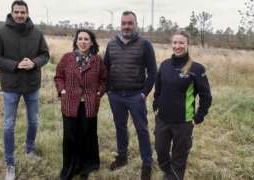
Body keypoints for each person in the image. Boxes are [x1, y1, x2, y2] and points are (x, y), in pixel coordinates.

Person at [0, 0, 50, 180]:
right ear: (11, 13)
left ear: (27, 13)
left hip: (32, 86)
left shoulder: (37, 33)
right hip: (11, 86)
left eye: (23, 12)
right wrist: (15, 65)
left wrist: (35, 63)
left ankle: (29, 150)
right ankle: (10, 164)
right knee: (8, 125)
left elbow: (45, 55)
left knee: (34, 121)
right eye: (17, 12)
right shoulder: (0, 33)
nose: (20, 15)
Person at [104, 11, 157, 180]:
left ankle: (147, 163)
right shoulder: (111, 44)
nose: (126, 26)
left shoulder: (145, 44)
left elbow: (153, 71)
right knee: (120, 127)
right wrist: (108, 90)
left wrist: (144, 93)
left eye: (130, 23)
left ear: (136, 24)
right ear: (120, 24)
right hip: (116, 95)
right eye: (124, 23)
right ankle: (122, 157)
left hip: (136, 96)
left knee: (142, 129)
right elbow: (105, 68)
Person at [153, 31, 212, 180]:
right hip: (162, 119)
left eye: (181, 43)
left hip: (183, 122)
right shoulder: (165, 65)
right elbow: (158, 88)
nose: (177, 46)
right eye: (175, 43)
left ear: (187, 45)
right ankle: (168, 173)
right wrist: (156, 104)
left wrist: (198, 117)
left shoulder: (197, 69)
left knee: (179, 158)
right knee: (161, 151)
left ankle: (173, 176)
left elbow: (206, 96)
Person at [54, 29, 107, 180]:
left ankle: (87, 166)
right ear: (76, 41)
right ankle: (70, 167)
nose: (83, 42)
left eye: (86, 39)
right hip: (70, 102)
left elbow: (104, 80)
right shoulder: (67, 58)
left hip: (89, 104)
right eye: (80, 39)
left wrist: (98, 93)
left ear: (91, 43)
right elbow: (58, 76)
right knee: (70, 136)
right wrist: (62, 90)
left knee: (87, 135)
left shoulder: (97, 60)